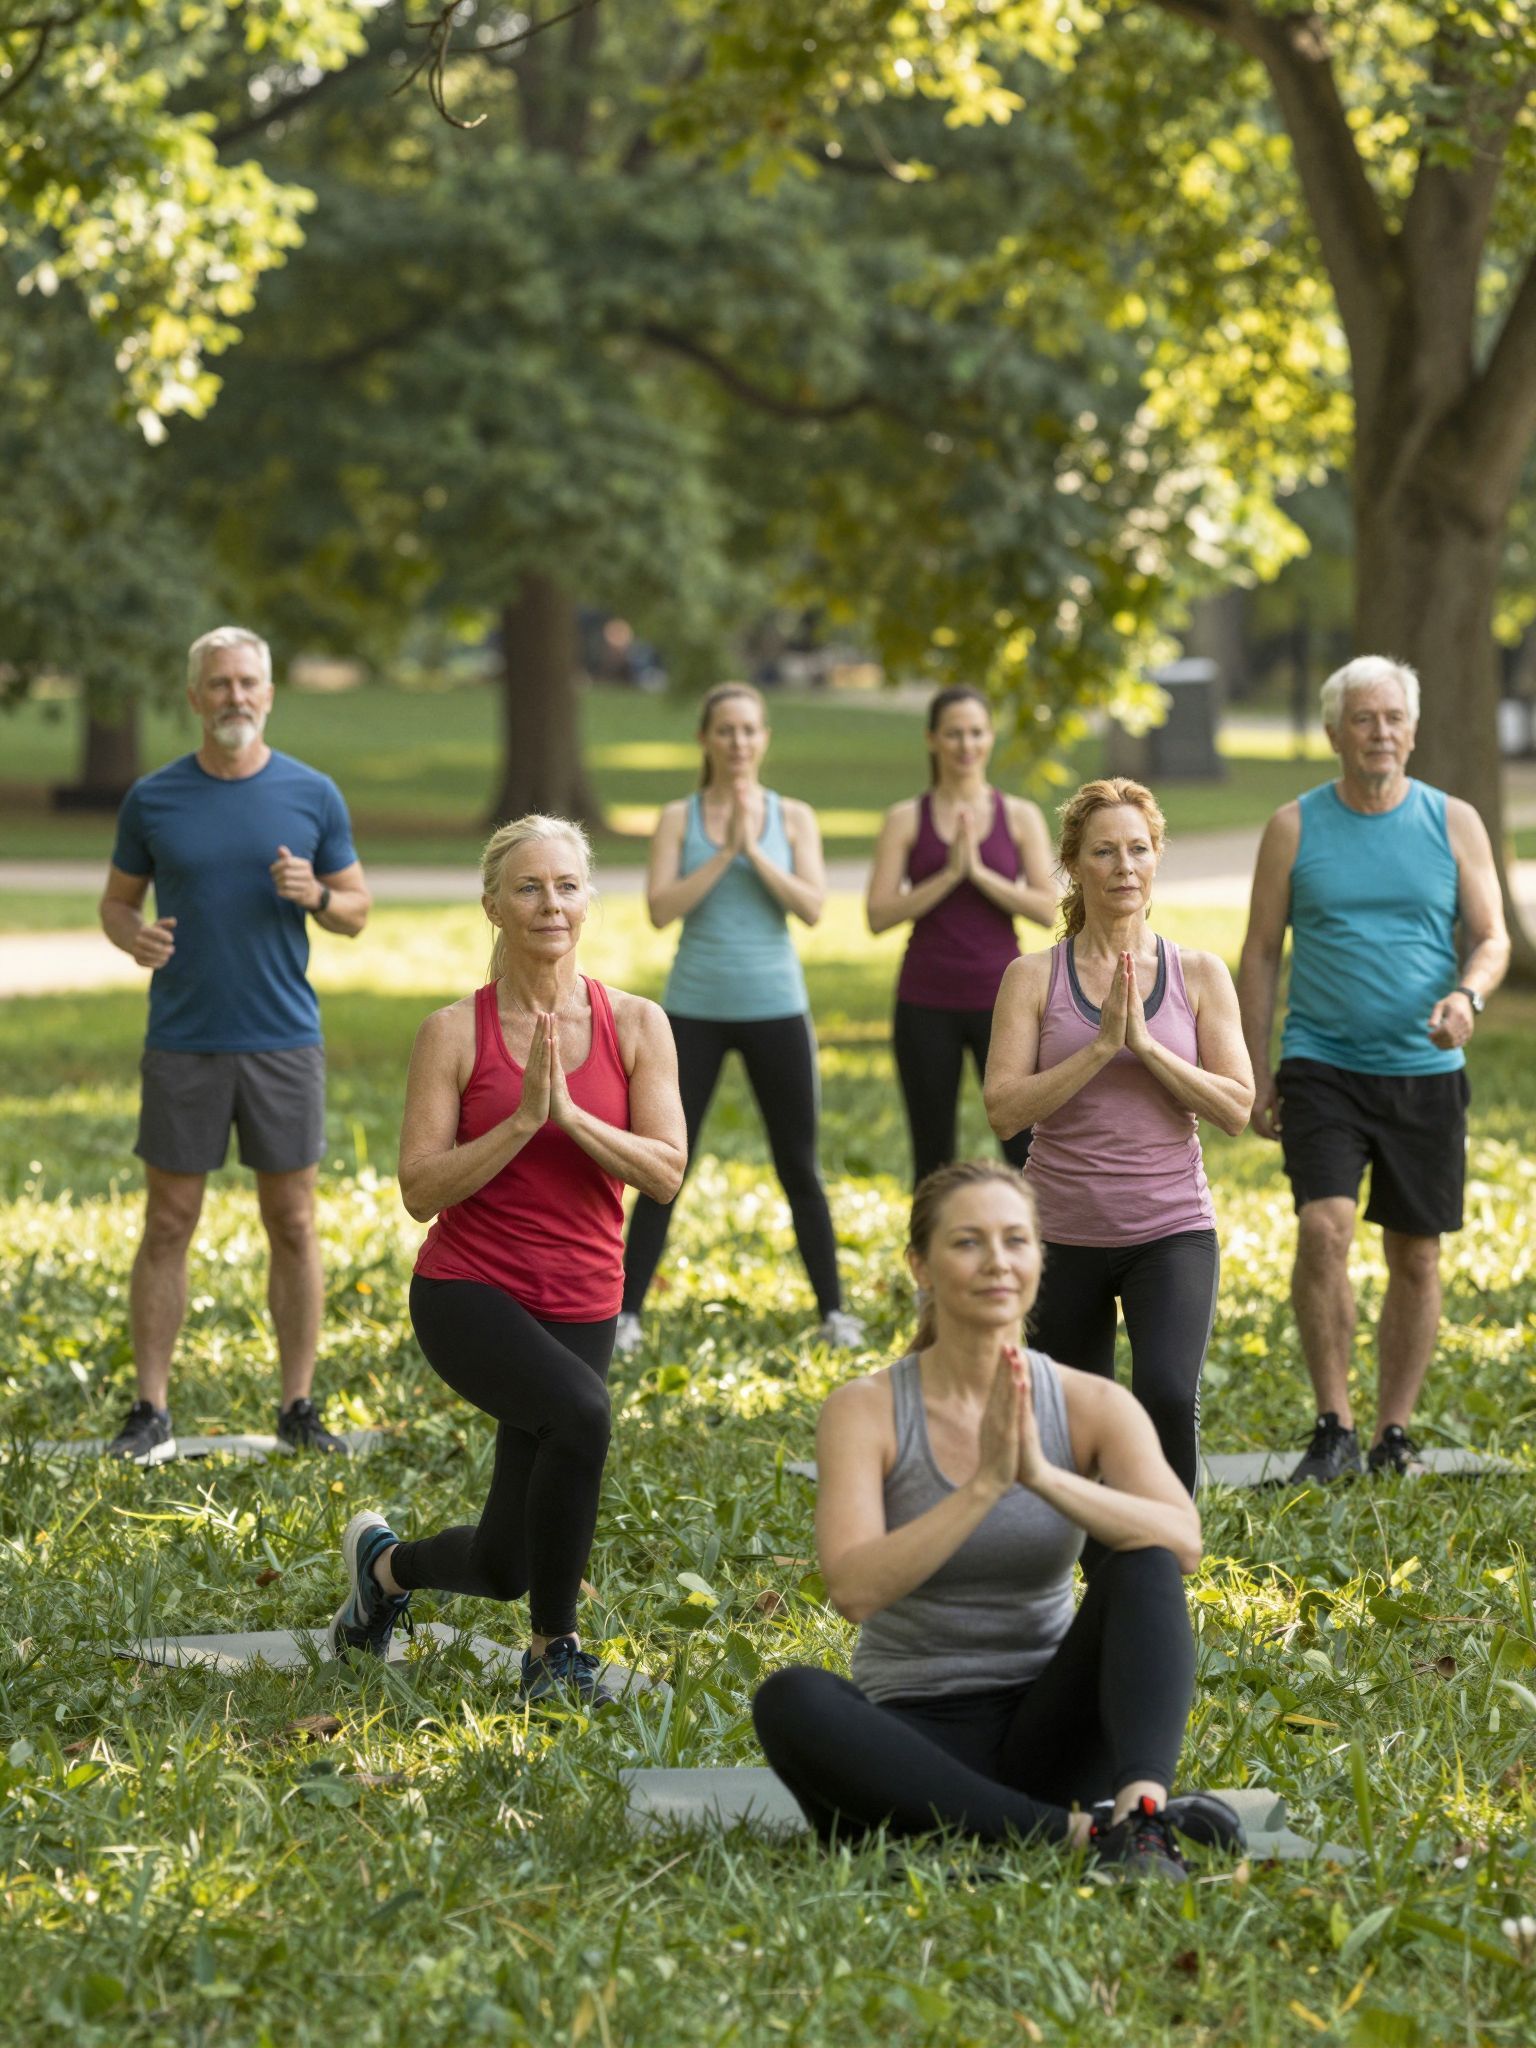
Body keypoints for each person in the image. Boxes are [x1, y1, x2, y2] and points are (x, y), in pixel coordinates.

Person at [752, 1161, 1243, 1875]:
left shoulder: (1088, 1404)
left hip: (1050, 1732)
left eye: (1017, 1241)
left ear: (1041, 1258)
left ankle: (1138, 1817)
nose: (997, 1263)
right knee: (790, 1699)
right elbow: (854, 1589)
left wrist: (1041, 1477)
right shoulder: (866, 1410)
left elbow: (1183, 1541)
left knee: (1142, 1559)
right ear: (919, 1264)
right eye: (968, 1243)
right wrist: (981, 1488)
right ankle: (1078, 1837)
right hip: (914, 1747)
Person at [328, 816, 685, 1704]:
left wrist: (568, 1115)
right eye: (528, 887)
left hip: (583, 1299)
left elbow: (667, 1173)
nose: (549, 904)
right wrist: (521, 1120)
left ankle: (384, 1573)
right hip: (468, 1293)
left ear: (588, 900)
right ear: (492, 904)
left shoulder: (636, 1024)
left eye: (565, 885)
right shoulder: (453, 1032)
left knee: (507, 1560)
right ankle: (552, 1656)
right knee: (583, 1414)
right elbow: (419, 1187)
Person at [98, 626, 371, 1464]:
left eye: (248, 682)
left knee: (292, 1222)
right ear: (194, 697)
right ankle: (150, 1409)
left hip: (283, 1038)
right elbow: (116, 904)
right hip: (183, 1038)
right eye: (218, 684)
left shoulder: (312, 793)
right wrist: (132, 938)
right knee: (169, 1220)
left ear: (270, 693)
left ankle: (297, 1404)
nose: (234, 697)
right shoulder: (153, 798)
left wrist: (317, 892)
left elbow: (357, 909)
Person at [1236, 656, 1509, 1482]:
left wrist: (1468, 996)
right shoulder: (1294, 826)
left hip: (1424, 1069)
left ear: (1414, 730)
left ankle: (1392, 1432)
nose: (1381, 732)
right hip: (1323, 1061)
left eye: (1393, 717)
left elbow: (1492, 937)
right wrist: (1257, 1068)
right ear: (1334, 732)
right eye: (1364, 718)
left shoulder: (1453, 821)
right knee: (1324, 1227)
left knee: (1416, 1257)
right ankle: (1334, 1425)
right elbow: (1258, 952)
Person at [983, 779, 1253, 1497]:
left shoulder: (1199, 974)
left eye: (1138, 849)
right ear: (1074, 865)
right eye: (1104, 852)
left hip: (1171, 1230)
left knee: (1166, 1393)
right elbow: (1004, 1110)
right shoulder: (1032, 977)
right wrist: (1099, 1049)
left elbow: (1236, 1107)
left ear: (1157, 856)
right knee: (1074, 1419)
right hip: (1062, 1232)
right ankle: (1094, 1572)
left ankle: (1163, 1558)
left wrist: (1148, 1048)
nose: (1124, 867)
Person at [615, 682, 862, 1357]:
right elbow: (662, 908)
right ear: (705, 739)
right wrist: (723, 851)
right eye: (725, 730)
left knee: (798, 1166)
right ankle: (625, 1314)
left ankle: (834, 1312)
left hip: (776, 1006)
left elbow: (812, 907)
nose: (738, 742)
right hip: (693, 1008)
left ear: (765, 738)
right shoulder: (679, 817)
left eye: (749, 730)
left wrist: (755, 851)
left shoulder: (793, 817)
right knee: (665, 1162)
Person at [866, 686, 1056, 1187]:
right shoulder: (906, 819)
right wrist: (949, 875)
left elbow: (1045, 907)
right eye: (953, 733)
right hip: (925, 1001)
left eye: (975, 732)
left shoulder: (1019, 816)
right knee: (932, 1155)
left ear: (990, 738)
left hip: (1005, 1000)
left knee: (1027, 1149)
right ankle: (932, 1263)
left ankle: (1040, 1262)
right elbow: (879, 914)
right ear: (932, 739)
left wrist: (978, 873)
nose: (965, 744)